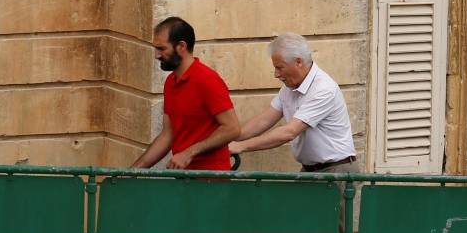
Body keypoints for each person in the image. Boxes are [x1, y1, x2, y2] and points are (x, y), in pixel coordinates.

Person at [229, 33, 357, 175]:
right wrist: (228, 139)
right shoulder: (290, 87)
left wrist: (240, 146)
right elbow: (263, 120)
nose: (276, 74)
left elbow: (289, 132)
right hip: (310, 170)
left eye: (280, 67)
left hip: (336, 171)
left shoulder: (323, 88)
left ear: (299, 62)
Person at [132, 17, 241, 171]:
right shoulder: (171, 82)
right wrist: (131, 172)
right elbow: (167, 135)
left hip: (211, 181)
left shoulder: (207, 79)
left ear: (181, 46)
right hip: (183, 178)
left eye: (162, 49)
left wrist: (189, 153)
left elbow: (232, 129)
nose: (156, 55)